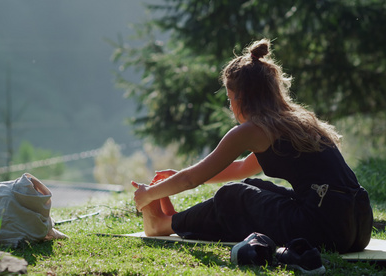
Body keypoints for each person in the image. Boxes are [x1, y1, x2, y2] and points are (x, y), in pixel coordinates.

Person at [132, 38, 373, 254]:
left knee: (232, 195)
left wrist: (147, 195)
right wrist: (174, 181)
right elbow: (241, 169)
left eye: (229, 97)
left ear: (241, 97)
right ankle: (178, 221)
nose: (230, 105)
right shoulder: (293, 122)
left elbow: (190, 180)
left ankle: (163, 224)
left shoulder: (253, 129)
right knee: (250, 186)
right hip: (358, 225)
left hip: (324, 228)